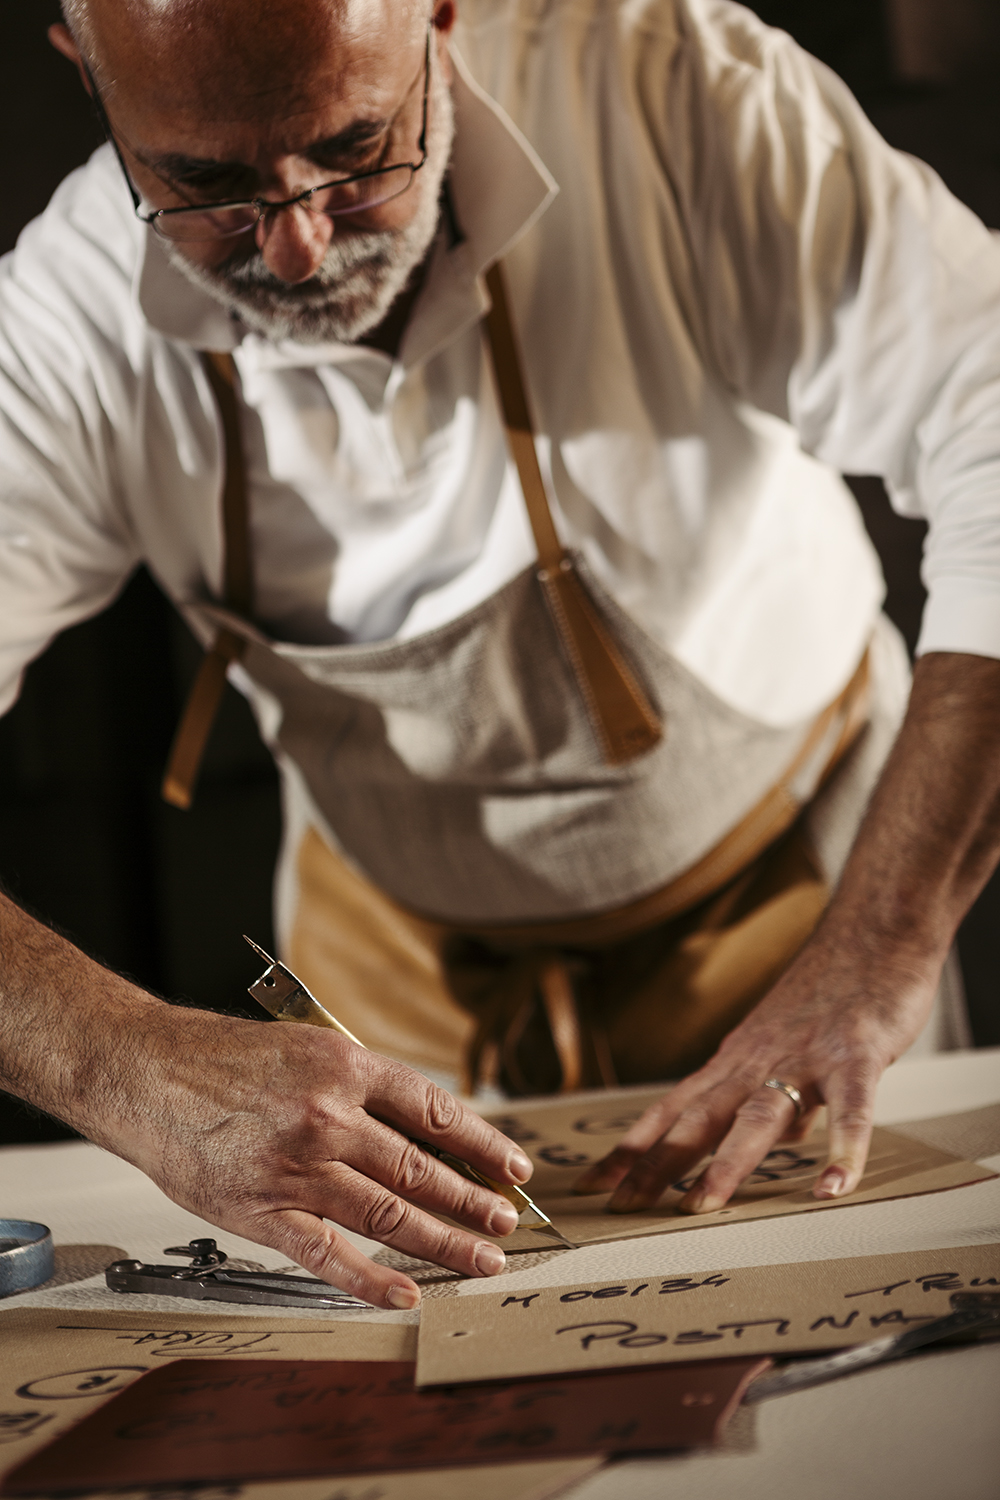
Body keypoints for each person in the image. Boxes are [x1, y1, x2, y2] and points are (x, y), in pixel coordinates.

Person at [1, 0, 999, 1311]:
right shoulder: (63, 322)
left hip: (802, 907)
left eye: (358, 151)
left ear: (440, 14)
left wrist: (877, 948)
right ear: (87, 67)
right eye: (205, 183)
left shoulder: (674, 95)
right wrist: (116, 1058)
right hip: (389, 984)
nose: (296, 248)